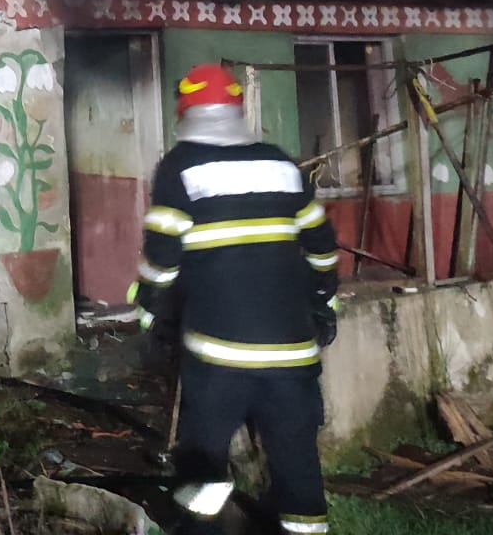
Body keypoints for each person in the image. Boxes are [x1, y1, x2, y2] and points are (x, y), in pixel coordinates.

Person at [129, 63, 340, 535]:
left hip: (218, 356)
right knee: (297, 461)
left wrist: (148, 317)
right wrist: (324, 303)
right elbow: (322, 247)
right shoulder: (282, 165)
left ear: (185, 112)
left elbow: (162, 256)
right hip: (293, 355)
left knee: (204, 465)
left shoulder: (180, 166)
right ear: (236, 109)